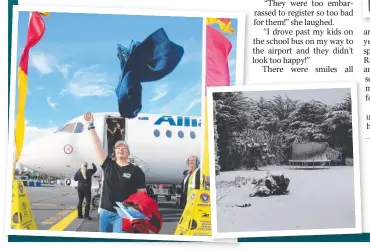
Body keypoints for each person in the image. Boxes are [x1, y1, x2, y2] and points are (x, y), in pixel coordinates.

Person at [84, 112, 147, 233]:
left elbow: (142, 195)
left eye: (124, 148)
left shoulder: (136, 171)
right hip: (105, 213)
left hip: (123, 214)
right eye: (118, 148)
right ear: (114, 152)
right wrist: (91, 125)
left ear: (128, 153)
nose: (121, 149)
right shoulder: (108, 165)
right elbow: (96, 144)